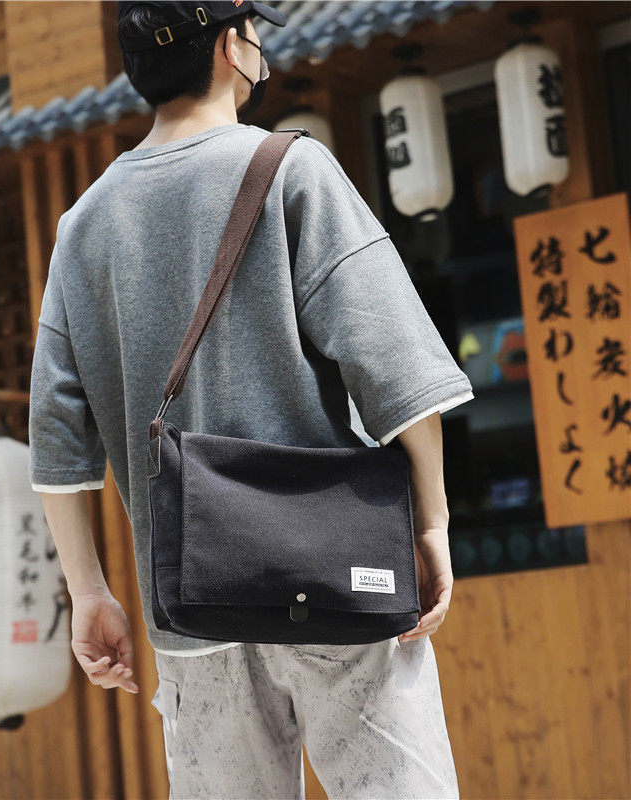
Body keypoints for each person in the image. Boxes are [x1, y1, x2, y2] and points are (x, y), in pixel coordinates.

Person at [28, 2, 474, 797]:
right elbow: (398, 371)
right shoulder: (293, 169)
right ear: (231, 46)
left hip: (192, 612)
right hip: (339, 582)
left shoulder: (82, 226)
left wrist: (90, 592)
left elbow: (58, 442)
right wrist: (431, 523)